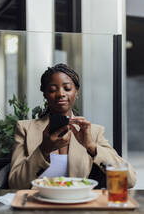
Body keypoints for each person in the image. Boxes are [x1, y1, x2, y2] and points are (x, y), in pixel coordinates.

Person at [8, 63, 136, 189]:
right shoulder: (25, 129)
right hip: (37, 204)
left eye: (67, 88)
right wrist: (43, 149)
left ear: (76, 92)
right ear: (45, 94)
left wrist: (91, 146)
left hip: (76, 204)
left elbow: (129, 180)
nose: (60, 94)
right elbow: (15, 184)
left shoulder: (93, 132)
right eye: (52, 89)